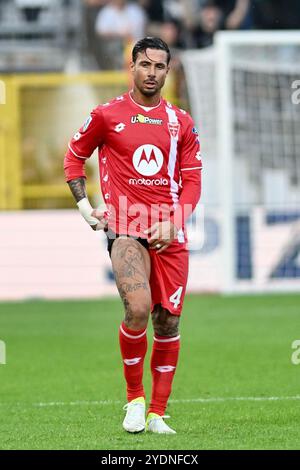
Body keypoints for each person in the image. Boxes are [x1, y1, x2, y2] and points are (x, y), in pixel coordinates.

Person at [64, 37, 202, 434]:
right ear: (133, 66)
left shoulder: (181, 122)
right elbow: (74, 155)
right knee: (138, 307)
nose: (152, 73)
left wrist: (175, 220)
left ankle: (158, 412)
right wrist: (85, 206)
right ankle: (135, 401)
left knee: (167, 323)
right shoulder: (107, 116)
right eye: (145, 64)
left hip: (169, 233)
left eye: (160, 66)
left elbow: (192, 180)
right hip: (125, 228)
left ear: (167, 71)